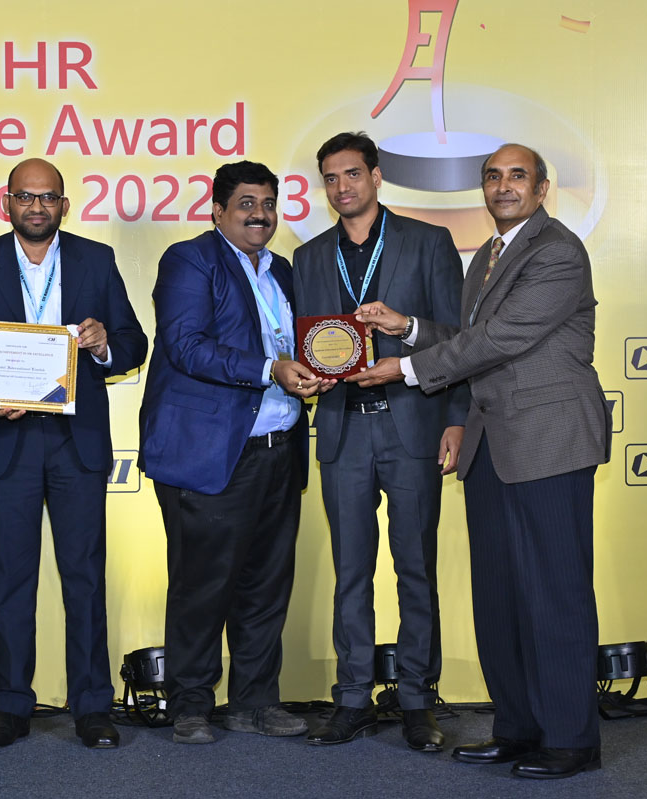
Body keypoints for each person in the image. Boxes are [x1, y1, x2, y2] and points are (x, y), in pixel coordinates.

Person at [349, 143, 611, 780]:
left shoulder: (556, 251)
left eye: (518, 176)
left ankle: (570, 739)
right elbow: (471, 342)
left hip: (549, 442)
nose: (503, 186)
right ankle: (518, 728)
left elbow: (501, 338)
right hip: (492, 443)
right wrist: (409, 328)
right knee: (500, 595)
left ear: (541, 189)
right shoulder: (488, 256)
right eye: (492, 176)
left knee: (554, 592)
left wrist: (407, 369)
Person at [0, 158, 147, 750]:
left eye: (48, 197)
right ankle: (10, 704)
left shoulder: (95, 260)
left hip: (76, 440)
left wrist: (103, 345)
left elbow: (134, 342)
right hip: (6, 441)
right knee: (11, 576)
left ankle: (93, 705)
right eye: (25, 196)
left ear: (64, 205)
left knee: (85, 576)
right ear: (6, 203)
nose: (36, 206)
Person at [293, 132, 467, 752]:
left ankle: (417, 699)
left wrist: (457, 417)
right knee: (351, 572)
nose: (342, 187)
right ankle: (351, 698)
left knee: (415, 567)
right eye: (331, 178)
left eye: (352, 174)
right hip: (343, 427)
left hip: (412, 423)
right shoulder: (310, 256)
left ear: (375, 176)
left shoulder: (428, 241)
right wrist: (306, 375)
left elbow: (459, 338)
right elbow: (304, 341)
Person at [139, 160, 324, 745]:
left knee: (266, 587)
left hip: (279, 448)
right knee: (202, 587)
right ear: (217, 210)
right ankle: (190, 704)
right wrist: (271, 369)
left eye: (268, 204)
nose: (259, 215)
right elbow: (186, 345)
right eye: (246, 203)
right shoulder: (190, 260)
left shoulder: (283, 270)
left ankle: (255, 702)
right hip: (212, 454)